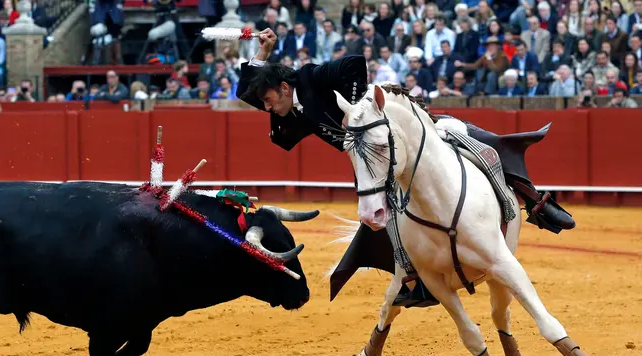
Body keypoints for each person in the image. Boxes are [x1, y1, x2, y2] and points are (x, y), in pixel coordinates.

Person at [236, 28, 576, 308]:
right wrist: (260, 54)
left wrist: (358, 110)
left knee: (480, 142)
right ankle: (415, 275)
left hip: (397, 125)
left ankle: (537, 203)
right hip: (372, 157)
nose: (265, 108)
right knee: (382, 213)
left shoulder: (309, 77)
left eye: (268, 101)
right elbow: (247, 92)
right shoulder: (286, 107)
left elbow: (355, 62)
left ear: (283, 88)